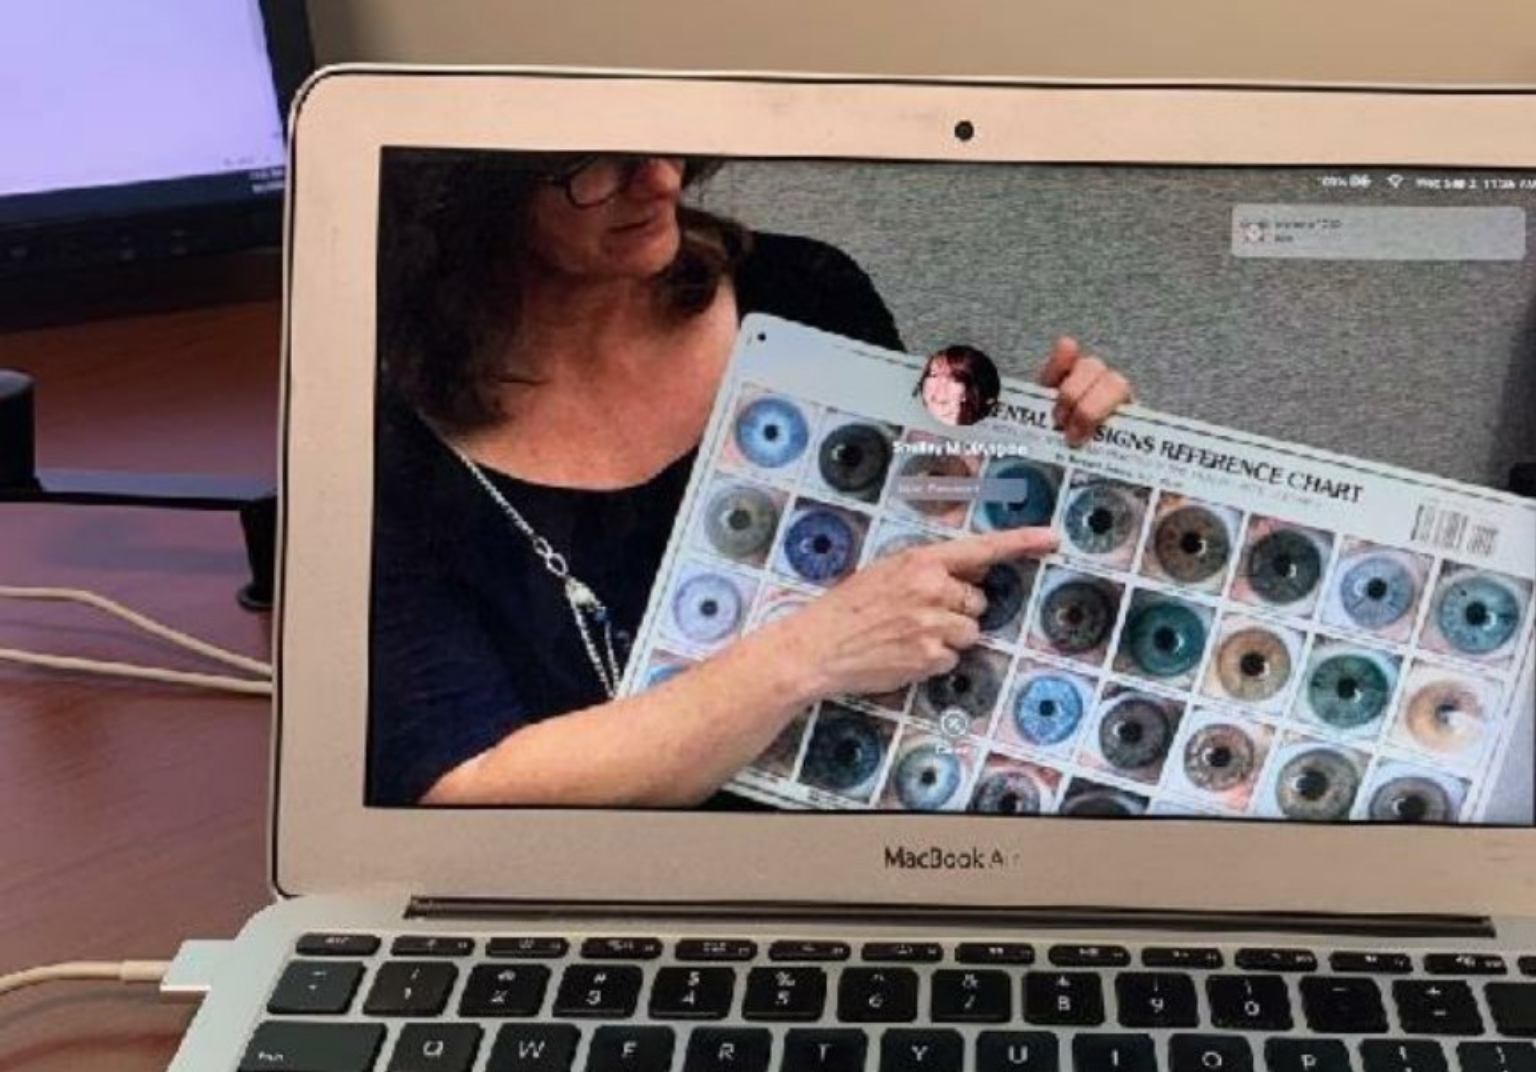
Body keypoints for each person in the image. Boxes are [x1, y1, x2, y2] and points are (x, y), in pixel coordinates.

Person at [371, 151, 1132, 807]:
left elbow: (920, 516)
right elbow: (462, 788)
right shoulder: (389, 441)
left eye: (667, 139)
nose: (662, 180)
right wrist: (807, 654)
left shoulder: (803, 291)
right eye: (596, 168)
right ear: (472, 195)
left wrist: (1047, 460)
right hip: (618, 895)